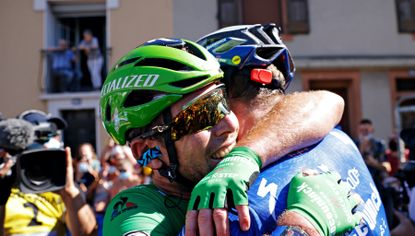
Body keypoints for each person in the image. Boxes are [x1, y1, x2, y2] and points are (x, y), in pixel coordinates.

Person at [100, 38, 359, 235]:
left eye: (224, 103)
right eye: (202, 115)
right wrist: (302, 227)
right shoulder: (138, 211)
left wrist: (246, 157)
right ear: (147, 151)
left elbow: (328, 101)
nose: (229, 123)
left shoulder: (236, 165)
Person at [184, 23, 390, 235]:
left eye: (205, 107)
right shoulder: (335, 136)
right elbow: (327, 100)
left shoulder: (235, 207)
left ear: (222, 97)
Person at [0, 110, 97, 236]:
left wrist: (70, 194)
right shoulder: (6, 181)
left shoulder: (60, 184)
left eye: (53, 135)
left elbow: (88, 234)